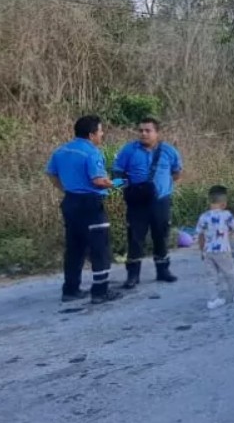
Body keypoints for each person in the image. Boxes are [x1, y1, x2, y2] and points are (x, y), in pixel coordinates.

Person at [46, 115, 122, 305]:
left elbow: (52, 175)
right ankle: (100, 291)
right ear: (91, 134)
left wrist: (68, 189)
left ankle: (70, 290)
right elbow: (97, 180)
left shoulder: (61, 151)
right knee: (100, 247)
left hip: (70, 202)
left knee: (74, 247)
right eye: (100, 131)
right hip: (90, 204)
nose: (102, 134)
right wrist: (113, 184)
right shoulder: (92, 152)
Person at [111, 117, 183, 288]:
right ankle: (133, 275)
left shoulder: (169, 151)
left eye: (147, 130)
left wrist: (161, 187)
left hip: (160, 201)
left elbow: (176, 172)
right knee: (135, 238)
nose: (143, 133)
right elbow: (117, 173)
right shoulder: (129, 150)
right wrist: (130, 189)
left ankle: (163, 271)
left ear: (157, 133)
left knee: (161, 235)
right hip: (137, 202)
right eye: (140, 130)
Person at [195, 185, 234, 310]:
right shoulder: (226, 215)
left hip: (208, 251)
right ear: (223, 203)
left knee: (211, 276)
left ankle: (213, 299)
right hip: (223, 250)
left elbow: (200, 235)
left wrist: (202, 251)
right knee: (229, 272)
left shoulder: (203, 217)